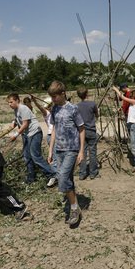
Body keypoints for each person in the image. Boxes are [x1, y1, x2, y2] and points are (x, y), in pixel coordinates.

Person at [47, 81, 85, 227]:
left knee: (62, 178)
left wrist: (81, 151)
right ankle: (74, 206)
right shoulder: (54, 109)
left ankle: (75, 208)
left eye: (55, 96)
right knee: (67, 178)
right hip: (59, 149)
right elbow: (54, 129)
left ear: (63, 93)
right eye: (51, 97)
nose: (53, 99)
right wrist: (51, 150)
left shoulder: (73, 109)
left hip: (72, 149)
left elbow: (81, 129)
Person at [7, 93, 57, 188]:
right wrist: (13, 123)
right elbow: (18, 120)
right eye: (8, 102)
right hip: (27, 135)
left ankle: (52, 174)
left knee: (35, 156)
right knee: (27, 156)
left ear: (17, 100)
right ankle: (31, 178)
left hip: (35, 133)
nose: (10, 104)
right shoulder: (16, 110)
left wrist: (16, 134)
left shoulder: (23, 108)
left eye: (11, 102)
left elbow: (25, 123)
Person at [112, 86, 135, 170]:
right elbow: (131, 115)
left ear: (134, 96)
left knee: (134, 145)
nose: (129, 97)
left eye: (131, 96)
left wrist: (116, 90)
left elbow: (122, 97)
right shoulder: (134, 104)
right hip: (134, 124)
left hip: (134, 125)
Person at [76, 86, 100, 180]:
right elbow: (97, 115)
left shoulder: (76, 106)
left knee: (82, 152)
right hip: (91, 130)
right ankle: (93, 173)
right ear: (87, 94)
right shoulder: (92, 104)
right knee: (92, 152)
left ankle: (82, 173)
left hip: (81, 132)